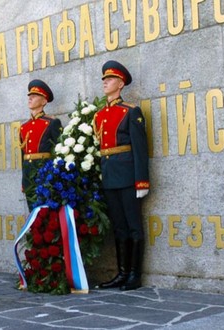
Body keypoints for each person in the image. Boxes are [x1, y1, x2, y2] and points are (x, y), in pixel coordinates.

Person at [93, 60, 150, 291]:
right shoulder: (99, 116)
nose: (105, 83)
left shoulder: (130, 112)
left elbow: (140, 148)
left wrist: (142, 180)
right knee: (119, 227)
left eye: (110, 80)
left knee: (133, 226)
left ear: (120, 84)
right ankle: (122, 273)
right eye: (104, 80)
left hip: (127, 176)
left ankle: (134, 275)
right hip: (109, 177)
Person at [19, 79, 62, 210]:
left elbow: (59, 150)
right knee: (32, 211)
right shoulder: (23, 127)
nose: (30, 98)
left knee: (46, 212)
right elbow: (23, 155)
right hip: (28, 173)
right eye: (29, 95)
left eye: (35, 95)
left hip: (44, 171)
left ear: (43, 101)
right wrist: (23, 180)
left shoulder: (51, 123)